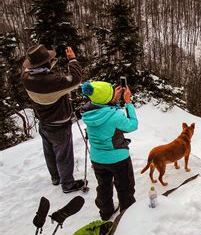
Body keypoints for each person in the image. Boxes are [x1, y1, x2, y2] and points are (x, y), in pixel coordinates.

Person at [21, 44, 85, 193]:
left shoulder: (26, 77)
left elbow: (41, 70)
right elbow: (75, 79)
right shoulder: (52, 82)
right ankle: (68, 184)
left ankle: (56, 177)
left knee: (49, 152)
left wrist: (50, 60)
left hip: (44, 121)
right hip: (59, 124)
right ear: (45, 63)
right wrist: (72, 60)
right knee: (64, 155)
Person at [80, 81, 138, 220]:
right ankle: (127, 214)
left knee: (104, 186)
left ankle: (105, 212)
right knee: (125, 187)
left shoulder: (88, 112)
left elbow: (105, 111)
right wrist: (128, 102)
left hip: (97, 158)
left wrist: (112, 100)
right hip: (118, 158)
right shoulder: (115, 116)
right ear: (108, 99)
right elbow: (132, 125)